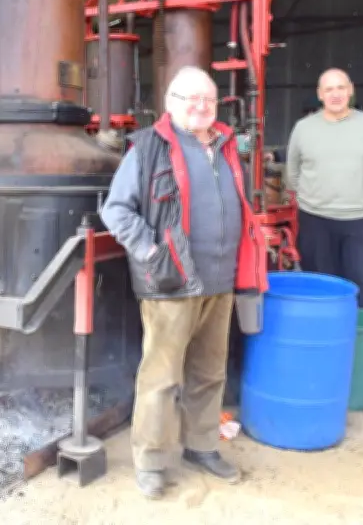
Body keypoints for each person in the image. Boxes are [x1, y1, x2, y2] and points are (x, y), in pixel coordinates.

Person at [100, 66, 268, 499]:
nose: (200, 106)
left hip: (221, 280)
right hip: (171, 283)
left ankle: (202, 446)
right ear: (170, 103)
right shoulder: (148, 146)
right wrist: (152, 252)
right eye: (190, 98)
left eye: (208, 99)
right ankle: (152, 463)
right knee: (161, 376)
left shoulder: (227, 146)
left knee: (209, 372)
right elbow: (117, 210)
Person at [285, 68, 363, 312]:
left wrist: (355, 195)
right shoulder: (303, 128)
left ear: (351, 90)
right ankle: (326, 344)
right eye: (329, 89)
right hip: (315, 221)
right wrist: (317, 198)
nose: (335, 94)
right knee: (320, 290)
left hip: (359, 221)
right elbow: (292, 174)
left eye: (341, 88)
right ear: (320, 94)